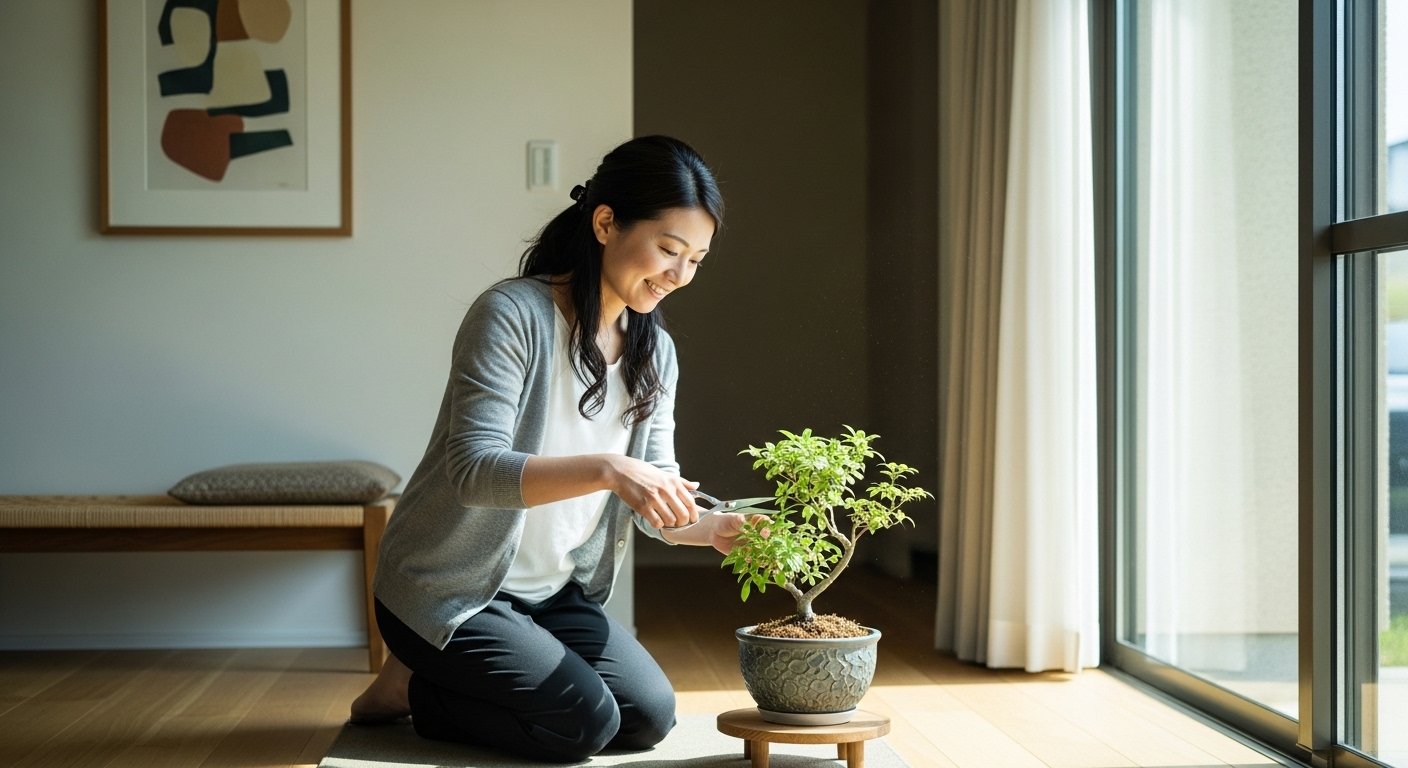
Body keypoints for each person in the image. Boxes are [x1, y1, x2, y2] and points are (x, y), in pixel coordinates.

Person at [350, 136, 748, 762]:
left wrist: (716, 528)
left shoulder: (655, 352)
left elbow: (656, 490)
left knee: (647, 717)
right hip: (451, 588)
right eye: (670, 250)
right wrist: (610, 469)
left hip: (551, 594)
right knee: (582, 724)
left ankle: (441, 675)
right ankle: (416, 683)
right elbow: (474, 470)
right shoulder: (511, 314)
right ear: (605, 223)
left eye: (695, 259)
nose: (680, 276)